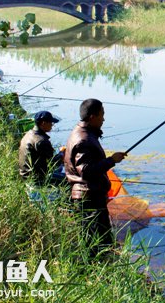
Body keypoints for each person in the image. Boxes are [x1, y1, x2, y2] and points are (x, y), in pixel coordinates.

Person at [64, 99, 126, 255]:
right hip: (89, 198)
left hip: (89, 196)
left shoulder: (83, 133)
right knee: (99, 244)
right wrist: (112, 160)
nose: (103, 119)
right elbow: (86, 171)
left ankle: (98, 271)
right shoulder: (84, 139)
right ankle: (98, 273)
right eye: (102, 115)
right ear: (92, 117)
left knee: (95, 242)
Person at [19, 111, 65, 186]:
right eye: (51, 123)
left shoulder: (29, 134)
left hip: (25, 175)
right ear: (43, 123)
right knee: (70, 178)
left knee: (61, 168)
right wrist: (62, 153)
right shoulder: (41, 141)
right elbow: (53, 163)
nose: (52, 126)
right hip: (37, 179)